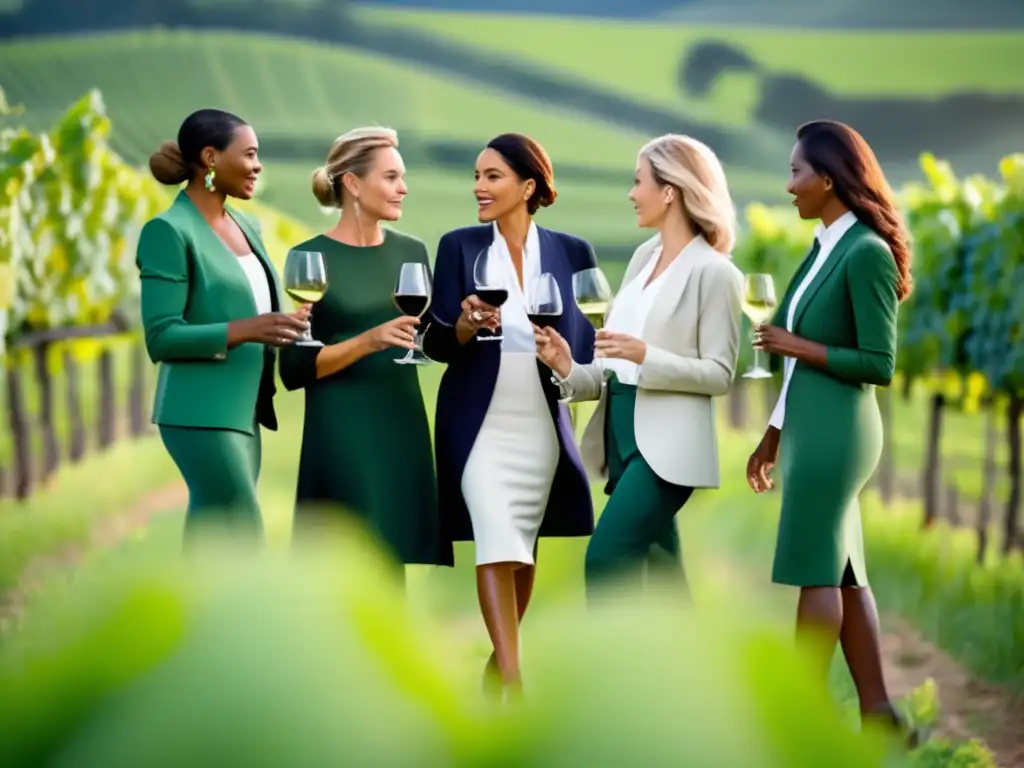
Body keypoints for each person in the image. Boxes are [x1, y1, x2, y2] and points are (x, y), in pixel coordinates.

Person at [745, 119, 919, 746]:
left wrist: (797, 343)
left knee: (817, 569)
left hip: (840, 431)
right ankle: (880, 716)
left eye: (795, 173)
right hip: (810, 426)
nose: (788, 185)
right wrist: (770, 434)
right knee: (844, 571)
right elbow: (793, 362)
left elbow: (879, 363)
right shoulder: (824, 246)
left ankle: (799, 718)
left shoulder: (865, 252)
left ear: (828, 178)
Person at [423, 133, 596, 698]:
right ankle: (515, 680)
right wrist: (465, 328)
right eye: (476, 175)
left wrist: (567, 357)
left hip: (540, 424)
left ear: (528, 186)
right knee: (496, 539)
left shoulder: (573, 252)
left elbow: (587, 346)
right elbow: (434, 341)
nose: (479, 186)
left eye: (492, 176)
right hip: (478, 423)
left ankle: (499, 668)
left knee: (521, 549)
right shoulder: (458, 246)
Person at [535, 134, 744, 600]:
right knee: (665, 580)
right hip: (621, 437)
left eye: (638, 182)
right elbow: (612, 365)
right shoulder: (642, 258)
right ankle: (691, 673)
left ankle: (609, 671)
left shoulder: (716, 273)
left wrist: (645, 356)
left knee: (607, 558)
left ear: (670, 190)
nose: (631, 193)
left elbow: (719, 373)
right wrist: (566, 363)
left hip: (667, 447)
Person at [278, 127, 451, 574]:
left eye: (403, 177)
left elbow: (429, 336)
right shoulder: (309, 258)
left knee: (391, 557)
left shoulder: (411, 252)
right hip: (341, 427)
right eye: (391, 177)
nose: (403, 188)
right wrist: (368, 341)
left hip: (400, 420)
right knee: (340, 561)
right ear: (353, 184)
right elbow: (294, 368)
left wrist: (468, 324)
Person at [140, 109, 309, 545]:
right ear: (211, 157)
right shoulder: (168, 231)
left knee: (218, 535)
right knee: (242, 526)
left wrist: (285, 324)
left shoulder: (246, 225)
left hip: (247, 410)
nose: (258, 165)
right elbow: (161, 337)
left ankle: (194, 613)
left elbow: (251, 306)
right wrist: (248, 329)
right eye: (249, 154)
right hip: (199, 412)